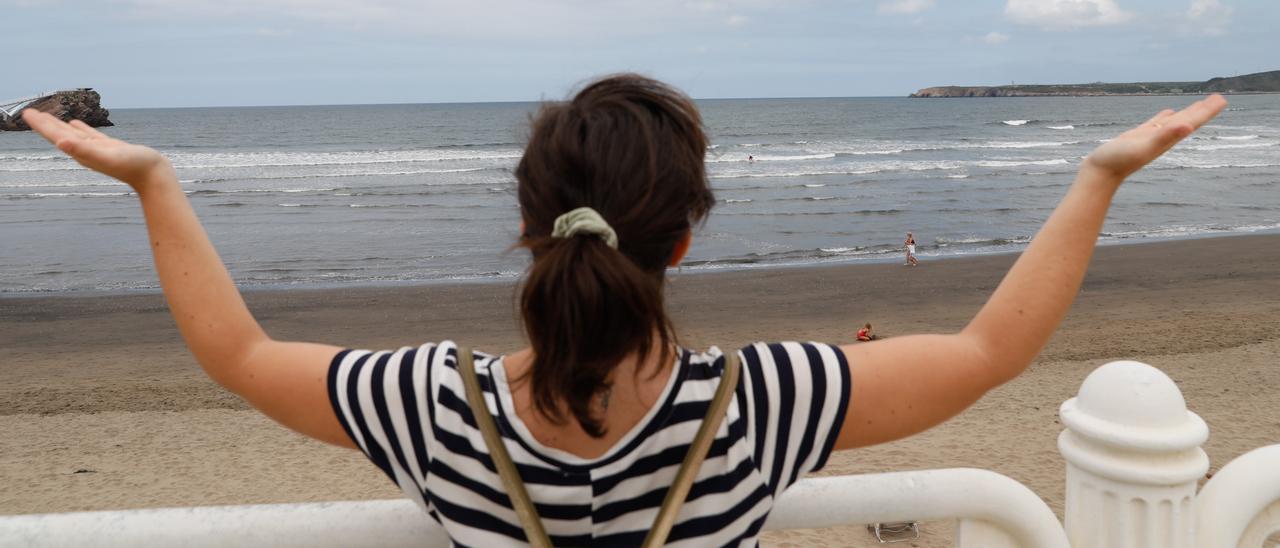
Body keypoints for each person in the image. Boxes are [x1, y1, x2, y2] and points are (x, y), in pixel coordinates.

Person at [23, 77, 1227, 546]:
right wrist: (1096, 176)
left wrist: (154, 179)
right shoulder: (760, 405)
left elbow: (235, 352)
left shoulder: (434, 408)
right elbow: (987, 349)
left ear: (528, 222)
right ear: (686, 234)